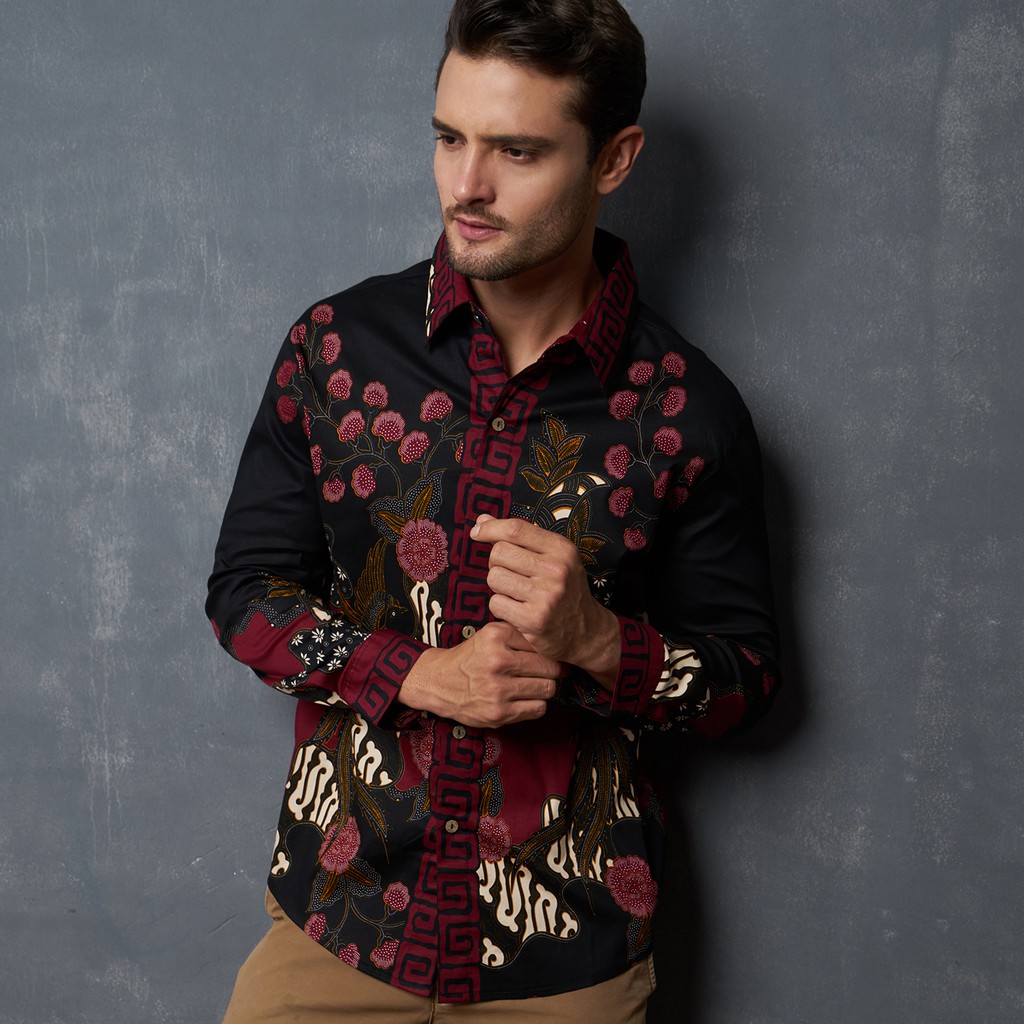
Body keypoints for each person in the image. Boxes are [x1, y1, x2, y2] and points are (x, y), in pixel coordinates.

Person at [207, 0, 779, 1019]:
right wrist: (423, 675)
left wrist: (600, 641)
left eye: (516, 151)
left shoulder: (688, 411)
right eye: (449, 138)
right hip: (340, 919)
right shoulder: (335, 349)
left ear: (613, 160)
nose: (465, 185)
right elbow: (246, 596)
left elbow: (746, 685)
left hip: (567, 955)